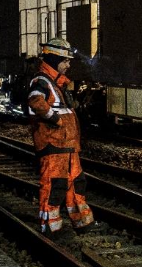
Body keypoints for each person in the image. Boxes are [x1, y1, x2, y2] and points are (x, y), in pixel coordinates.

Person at [27, 38, 94, 234]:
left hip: (67, 144)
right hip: (53, 143)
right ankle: (49, 224)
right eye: (65, 61)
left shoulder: (58, 84)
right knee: (54, 184)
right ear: (55, 59)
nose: (68, 64)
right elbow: (35, 101)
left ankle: (82, 221)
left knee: (76, 182)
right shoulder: (42, 81)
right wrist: (54, 120)